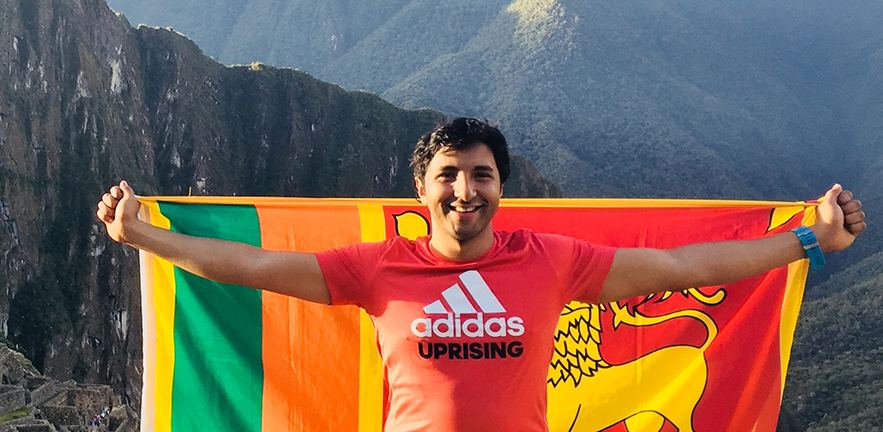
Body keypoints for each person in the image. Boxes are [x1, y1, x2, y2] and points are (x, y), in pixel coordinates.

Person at [97, 118, 865, 432]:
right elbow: (254, 265)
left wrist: (808, 240)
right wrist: (141, 236)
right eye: (448, 174)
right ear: (420, 188)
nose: (464, 190)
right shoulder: (378, 267)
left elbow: (682, 265)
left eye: (481, 175)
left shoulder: (550, 261)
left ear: (500, 187)